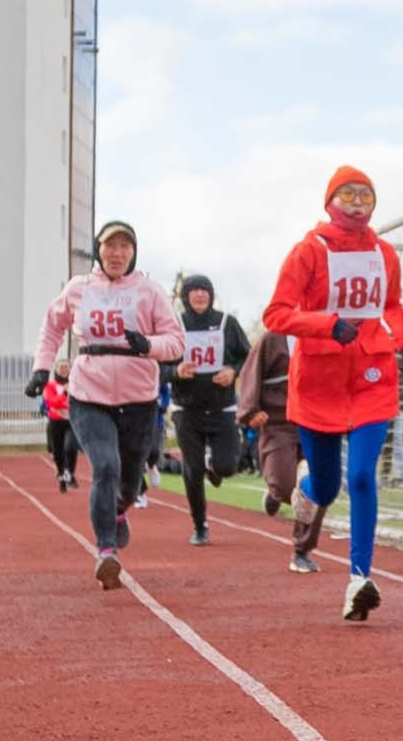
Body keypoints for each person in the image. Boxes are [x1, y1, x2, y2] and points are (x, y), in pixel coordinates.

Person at [262, 166, 403, 622]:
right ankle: (307, 490)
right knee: (328, 485)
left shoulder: (384, 253)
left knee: (363, 477)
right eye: (348, 194)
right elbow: (276, 314)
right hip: (318, 382)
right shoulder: (309, 251)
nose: (357, 203)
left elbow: (391, 305)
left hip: (372, 375)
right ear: (330, 199)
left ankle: (359, 579)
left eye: (365, 195)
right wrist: (326, 325)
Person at [28, 218, 186, 586]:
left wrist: (148, 345)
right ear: (98, 251)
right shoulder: (79, 288)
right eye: (109, 246)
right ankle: (106, 552)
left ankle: (117, 511)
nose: (117, 253)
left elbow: (176, 342)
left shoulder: (150, 291)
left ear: (134, 252)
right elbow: (53, 325)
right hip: (89, 394)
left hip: (138, 398)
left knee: (129, 483)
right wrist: (42, 368)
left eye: (124, 246)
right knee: (105, 467)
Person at [169, 271, 250, 547]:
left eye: (205, 289)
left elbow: (248, 357)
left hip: (222, 407)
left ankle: (213, 465)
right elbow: (156, 364)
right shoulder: (174, 324)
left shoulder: (227, 323)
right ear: (185, 296)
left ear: (211, 294)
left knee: (228, 465)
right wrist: (176, 371)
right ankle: (199, 525)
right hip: (186, 408)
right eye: (195, 290)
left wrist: (233, 371)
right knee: (191, 469)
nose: (200, 294)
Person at [234, 325, 301, 517]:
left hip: (314, 420)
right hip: (278, 420)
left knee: (321, 487)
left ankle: (305, 540)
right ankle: (276, 491)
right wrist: (251, 412)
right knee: (285, 483)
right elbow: (250, 373)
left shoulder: (327, 334)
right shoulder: (272, 339)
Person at [41, 373, 79, 491]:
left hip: (72, 421)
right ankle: (62, 476)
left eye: (66, 367)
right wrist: (64, 393)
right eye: (61, 367)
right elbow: (51, 402)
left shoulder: (76, 385)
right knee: (58, 452)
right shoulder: (50, 386)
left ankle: (70, 474)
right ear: (56, 370)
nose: (64, 370)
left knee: (71, 447)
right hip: (56, 422)